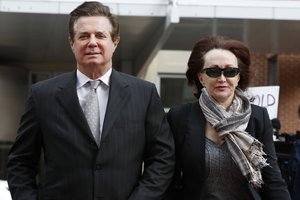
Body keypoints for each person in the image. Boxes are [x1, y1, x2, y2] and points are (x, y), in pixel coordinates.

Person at [7, 1, 175, 200]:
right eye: (84, 36)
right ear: (72, 43)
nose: (92, 42)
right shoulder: (42, 95)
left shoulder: (144, 94)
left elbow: (162, 159)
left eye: (100, 35)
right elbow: (20, 162)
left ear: (115, 42)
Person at [165, 36, 291, 199]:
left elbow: (272, 178)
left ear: (238, 77)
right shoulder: (179, 117)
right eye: (213, 71)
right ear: (201, 77)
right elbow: (168, 177)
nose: (222, 79)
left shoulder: (258, 117)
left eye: (230, 71)